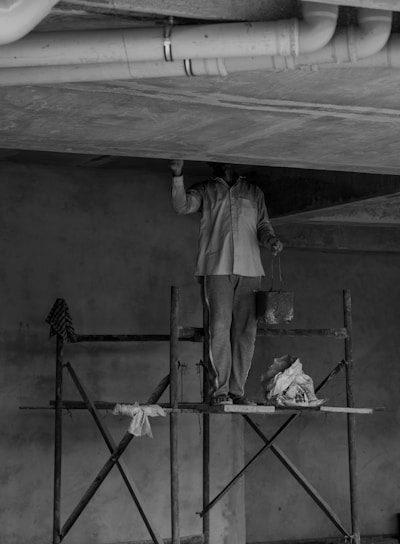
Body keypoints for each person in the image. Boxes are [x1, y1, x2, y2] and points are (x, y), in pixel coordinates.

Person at [170, 160, 283, 406]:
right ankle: (219, 390)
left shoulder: (253, 192)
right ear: (213, 165)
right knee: (219, 328)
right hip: (217, 268)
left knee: (246, 333)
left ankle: (236, 391)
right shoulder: (205, 189)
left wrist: (271, 240)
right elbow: (181, 206)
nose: (225, 165)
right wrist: (177, 174)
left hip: (251, 270)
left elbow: (263, 225)